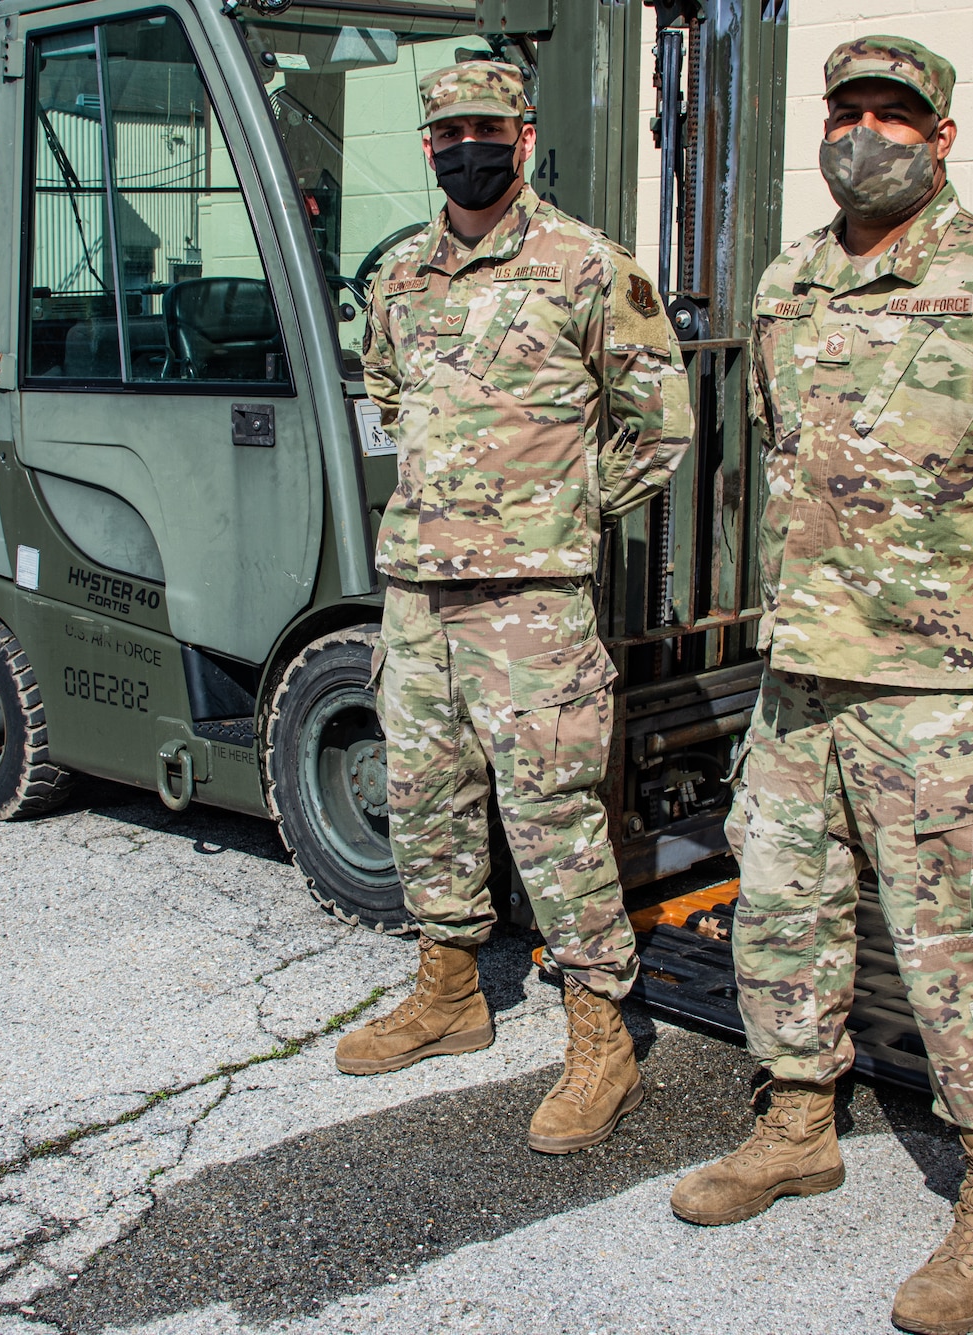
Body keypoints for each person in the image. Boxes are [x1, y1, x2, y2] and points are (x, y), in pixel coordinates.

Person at [666, 35, 973, 1335]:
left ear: (942, 140)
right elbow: (775, 446)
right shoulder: (791, 280)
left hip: (937, 683)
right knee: (786, 901)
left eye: (896, 116)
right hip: (804, 664)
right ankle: (800, 1118)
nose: (869, 132)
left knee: (960, 929)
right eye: (850, 109)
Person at [334, 60, 693, 1156]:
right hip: (418, 594)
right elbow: (388, 394)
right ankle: (448, 992)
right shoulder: (398, 277)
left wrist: (560, 507)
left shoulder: (586, 267)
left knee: (551, 811)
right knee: (428, 795)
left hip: (531, 602)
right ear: (427, 146)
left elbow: (660, 424)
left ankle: (600, 1032)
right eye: (445, 132)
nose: (464, 146)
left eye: (484, 128)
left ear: (523, 139)